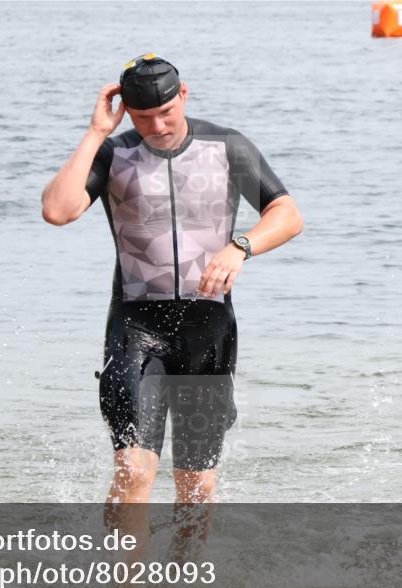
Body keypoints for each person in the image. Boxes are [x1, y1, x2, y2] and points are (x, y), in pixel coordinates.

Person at [41, 53, 302, 511]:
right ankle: (130, 584)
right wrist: (96, 131)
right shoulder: (113, 151)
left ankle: (184, 583)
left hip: (209, 332)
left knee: (197, 490)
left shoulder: (227, 147)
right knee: (133, 471)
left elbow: (287, 215)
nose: (158, 126)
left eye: (166, 112)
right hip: (136, 328)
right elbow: (57, 211)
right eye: (143, 118)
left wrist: (240, 246)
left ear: (183, 94)